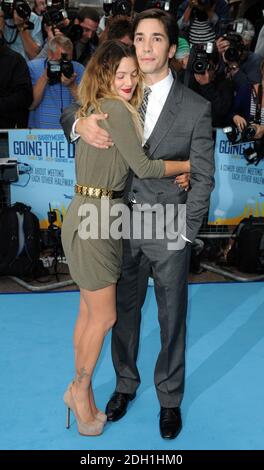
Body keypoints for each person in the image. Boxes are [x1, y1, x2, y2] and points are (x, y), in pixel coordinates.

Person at [61, 9, 215, 440]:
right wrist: (78, 123)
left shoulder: (197, 107)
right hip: (113, 224)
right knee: (121, 315)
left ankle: (169, 398)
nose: (147, 47)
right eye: (141, 38)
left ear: (172, 47)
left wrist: (188, 228)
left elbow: (203, 174)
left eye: (157, 39)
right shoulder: (118, 88)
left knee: (171, 317)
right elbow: (73, 111)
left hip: (168, 224)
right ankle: (124, 385)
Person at [28, 36, 84, 129]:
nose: (64, 65)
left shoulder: (78, 69)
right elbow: (31, 105)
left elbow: (86, 106)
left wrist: (72, 86)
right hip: (39, 135)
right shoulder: (33, 67)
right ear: (50, 54)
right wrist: (45, 77)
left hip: (69, 134)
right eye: (60, 60)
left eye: (67, 61)